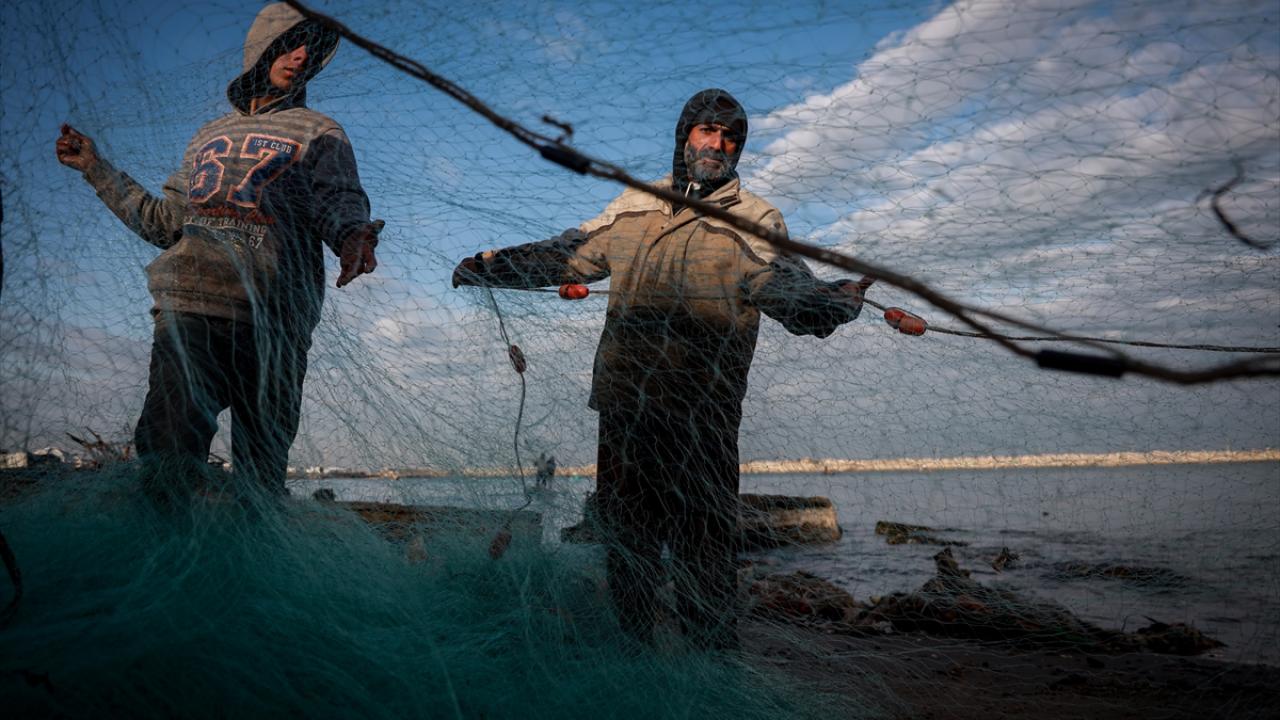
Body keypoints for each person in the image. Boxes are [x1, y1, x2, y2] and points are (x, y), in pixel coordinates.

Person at [452, 89, 871, 650]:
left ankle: (712, 662)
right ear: (684, 136)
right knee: (629, 541)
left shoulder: (756, 218)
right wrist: (492, 267)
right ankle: (633, 654)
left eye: (730, 137)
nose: (717, 144)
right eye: (707, 131)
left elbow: (792, 298)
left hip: (705, 411)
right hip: (626, 404)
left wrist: (836, 302)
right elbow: (568, 254)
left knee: (706, 544)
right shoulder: (635, 204)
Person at [55, 4, 381, 499]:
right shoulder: (207, 135)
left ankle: (250, 567)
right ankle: (170, 564)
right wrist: (95, 168)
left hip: (277, 318)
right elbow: (165, 224)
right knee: (167, 453)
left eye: (310, 52)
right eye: (290, 45)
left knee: (261, 473)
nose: (299, 58)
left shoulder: (320, 130)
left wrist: (354, 235)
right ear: (262, 49)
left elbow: (338, 200)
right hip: (191, 310)